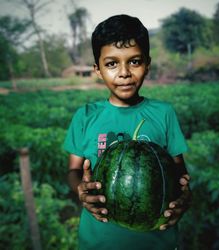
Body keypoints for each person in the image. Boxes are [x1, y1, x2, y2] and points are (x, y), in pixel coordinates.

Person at [64, 14, 191, 250]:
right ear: (98, 69)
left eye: (134, 61)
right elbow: (73, 170)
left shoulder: (164, 113)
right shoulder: (86, 115)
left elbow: (179, 171)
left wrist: (185, 195)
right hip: (98, 242)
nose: (124, 73)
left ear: (147, 64)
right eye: (112, 63)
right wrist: (80, 189)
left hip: (157, 241)